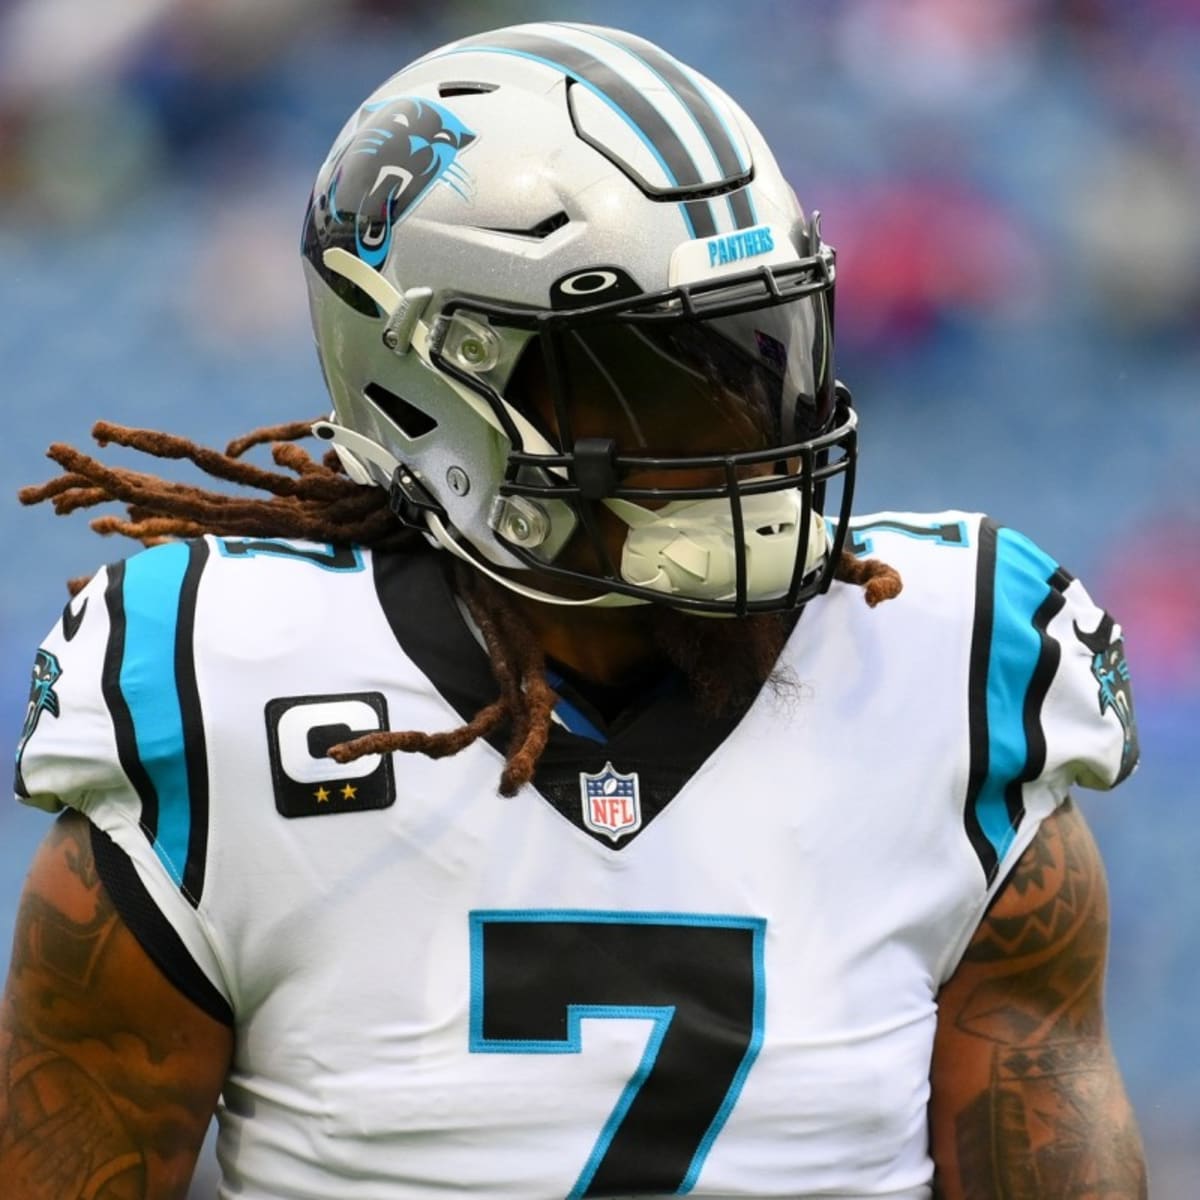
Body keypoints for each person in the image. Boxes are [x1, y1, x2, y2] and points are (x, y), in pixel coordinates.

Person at [0, 20, 1146, 1200]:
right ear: (433, 387)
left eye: (763, 355)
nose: (747, 431)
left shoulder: (947, 667)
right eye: (655, 377)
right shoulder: (224, 686)